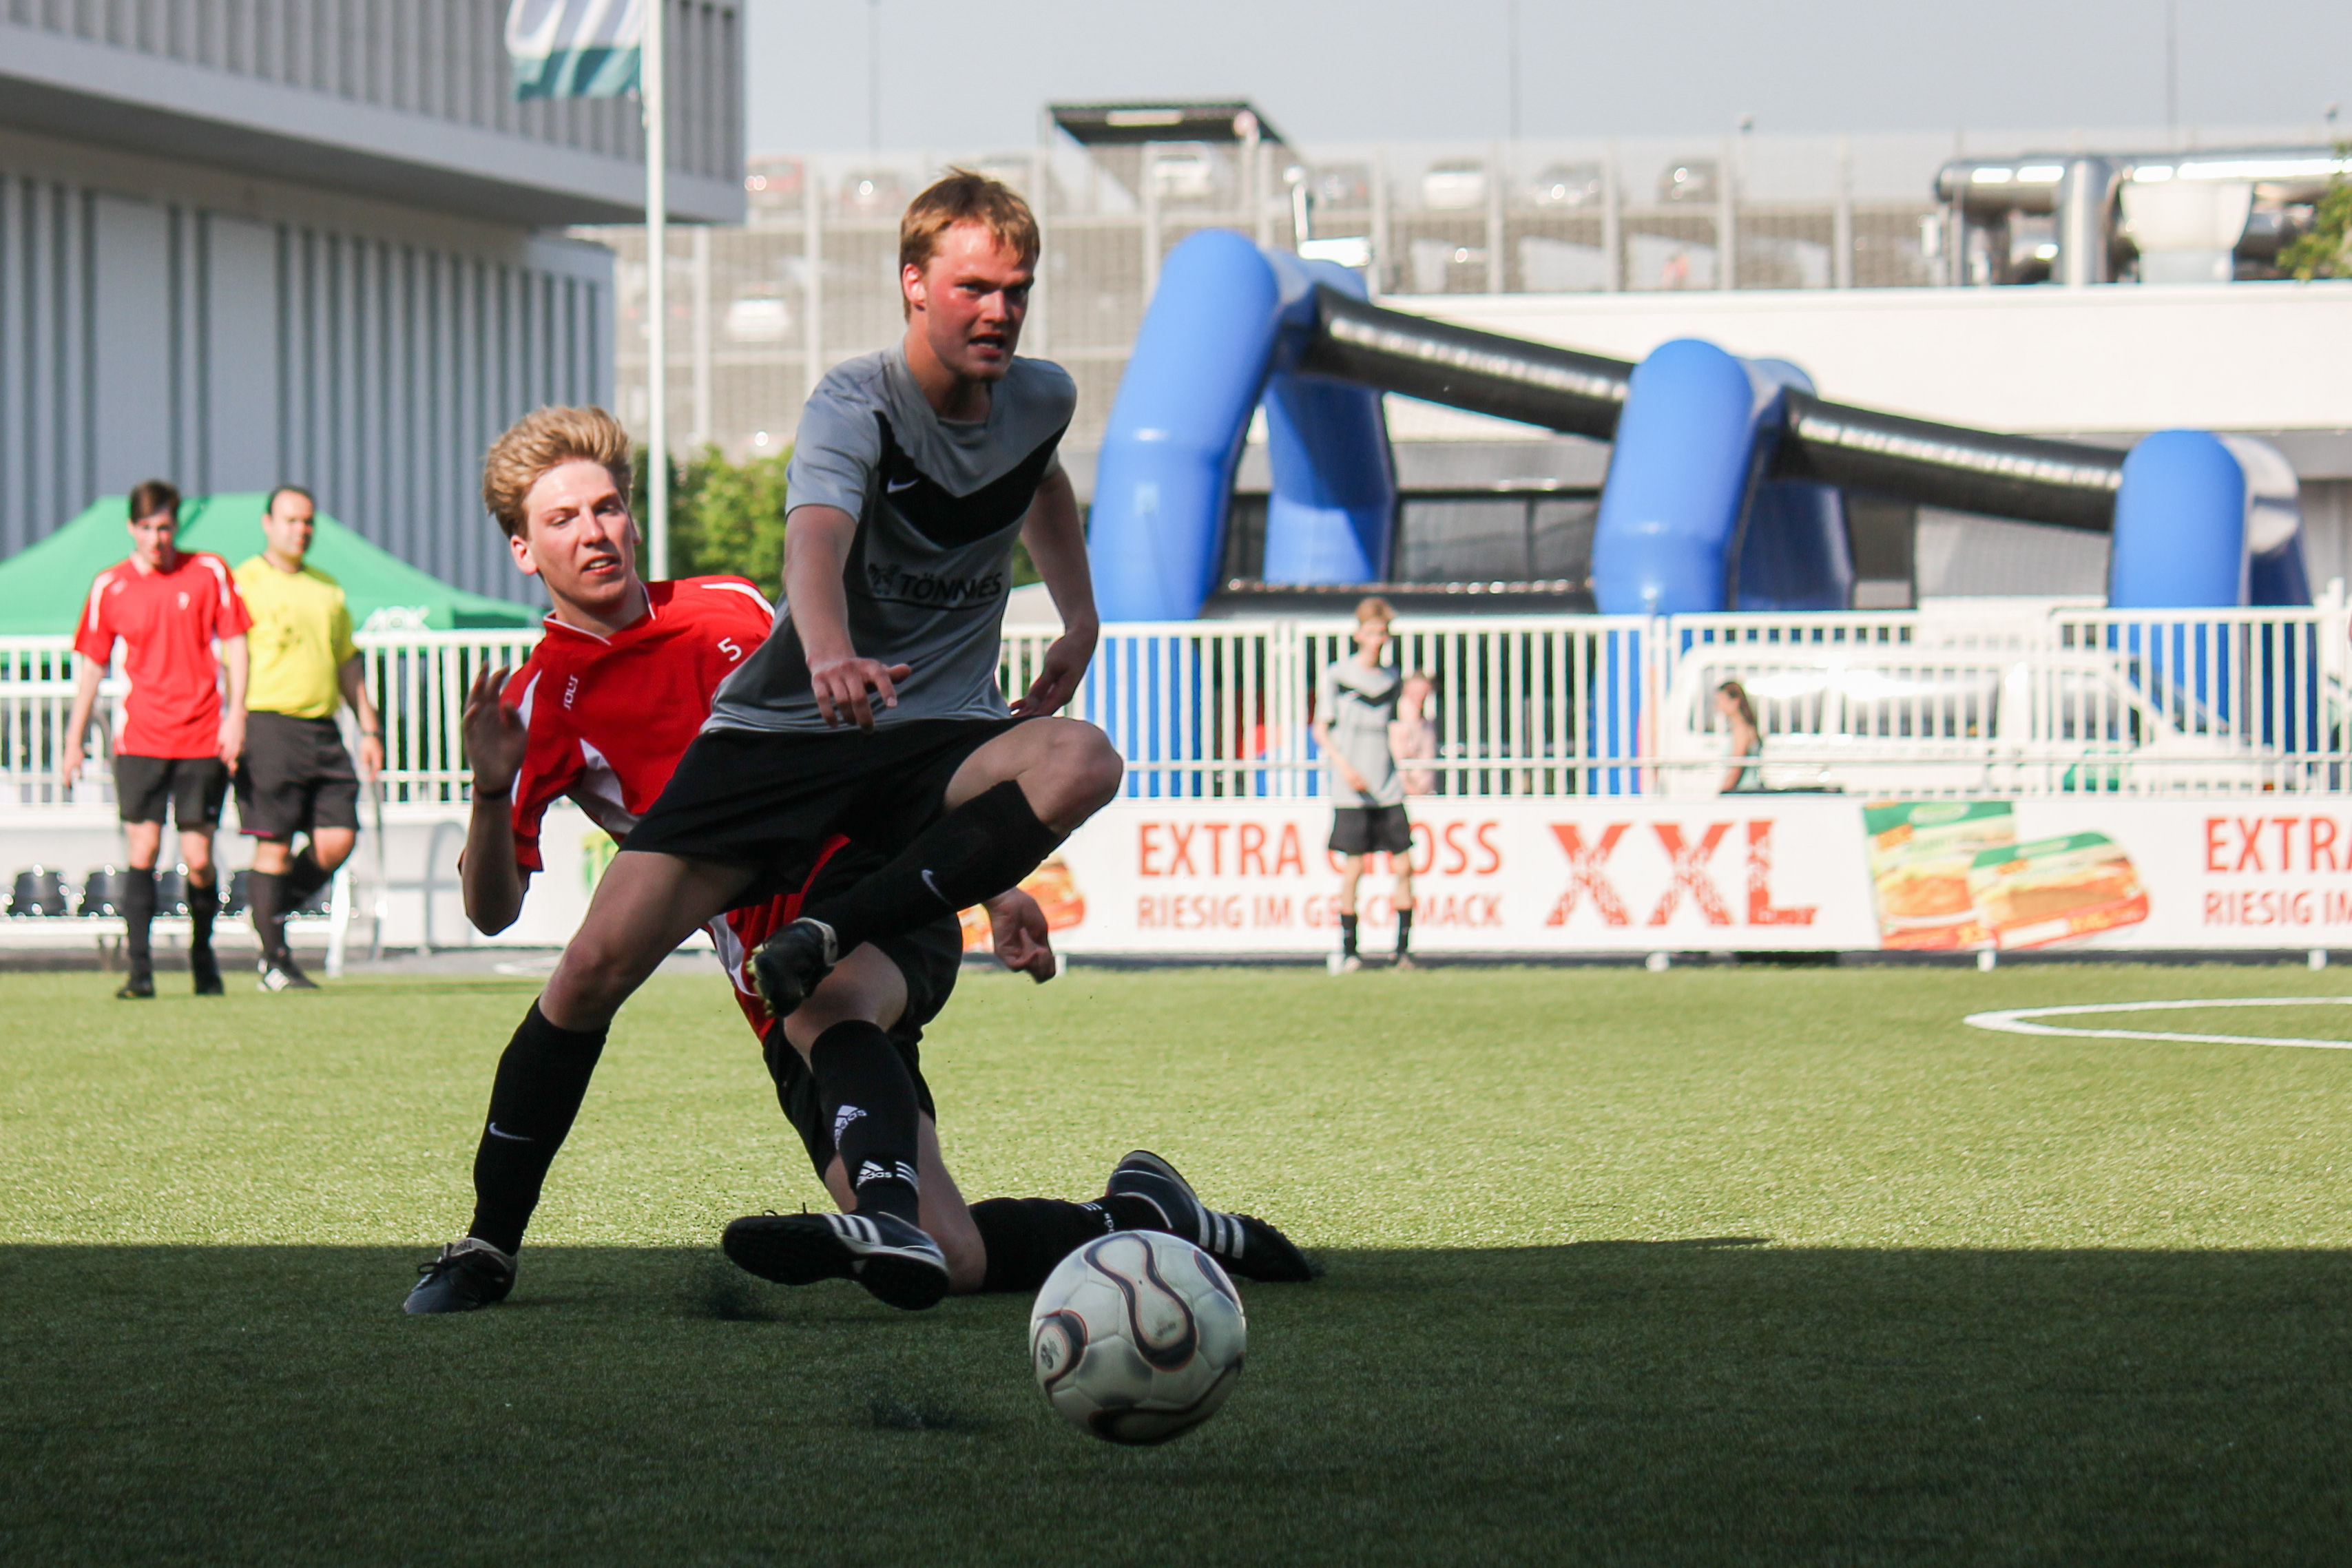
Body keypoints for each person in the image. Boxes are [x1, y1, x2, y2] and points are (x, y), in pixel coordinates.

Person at [404, 406, 1307, 1315]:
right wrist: (490, 790)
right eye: (562, 519)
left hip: (875, 890)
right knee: (949, 1256)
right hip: (767, 971)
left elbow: (885, 748)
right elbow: (491, 912)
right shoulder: (536, 703)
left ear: (632, 518)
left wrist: (994, 886)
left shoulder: (731, 608)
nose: (594, 532)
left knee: (826, 998)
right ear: (523, 550)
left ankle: (499, 1244)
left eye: (606, 507)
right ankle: (1144, 1215)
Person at [61, 481, 251, 999]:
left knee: (199, 856)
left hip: (202, 735)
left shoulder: (209, 571)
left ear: (176, 526)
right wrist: (74, 739)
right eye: (146, 528)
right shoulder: (110, 586)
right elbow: (92, 667)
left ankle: (202, 958)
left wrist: (236, 716)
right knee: (142, 849)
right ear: (131, 528)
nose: (156, 538)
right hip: (141, 738)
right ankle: (139, 970)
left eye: (164, 527)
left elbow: (236, 644)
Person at [233, 486, 384, 991]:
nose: (301, 530)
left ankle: (265, 912)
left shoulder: (327, 588)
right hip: (267, 724)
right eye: (291, 520)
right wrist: (229, 722)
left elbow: (347, 661)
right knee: (273, 845)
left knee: (338, 839)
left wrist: (369, 726)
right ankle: (274, 961)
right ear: (268, 523)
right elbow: (224, 659)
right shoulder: (244, 583)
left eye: (308, 521)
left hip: (323, 727)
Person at [1314, 597, 1417, 973]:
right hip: (1352, 791)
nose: (1377, 639)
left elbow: (1396, 725)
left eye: (1383, 633)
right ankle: (1349, 951)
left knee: (1405, 866)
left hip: (1387, 788)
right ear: (1359, 634)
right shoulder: (1338, 675)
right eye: (1371, 632)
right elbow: (1321, 730)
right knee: (1354, 869)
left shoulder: (1392, 678)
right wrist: (1345, 767)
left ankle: (1401, 952)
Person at [1392, 669, 1438, 797]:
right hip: (1409, 796)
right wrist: (1414, 793)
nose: (1421, 697)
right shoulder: (1398, 727)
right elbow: (1399, 766)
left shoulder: (1427, 725)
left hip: (1426, 793)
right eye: (1416, 693)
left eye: (1425, 693)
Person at [1716, 680, 1765, 793]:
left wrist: (1724, 791)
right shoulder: (1746, 727)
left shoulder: (1741, 730)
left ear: (1735, 701)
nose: (1719, 707)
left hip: (1744, 791)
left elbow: (1736, 766)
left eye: (1721, 701)